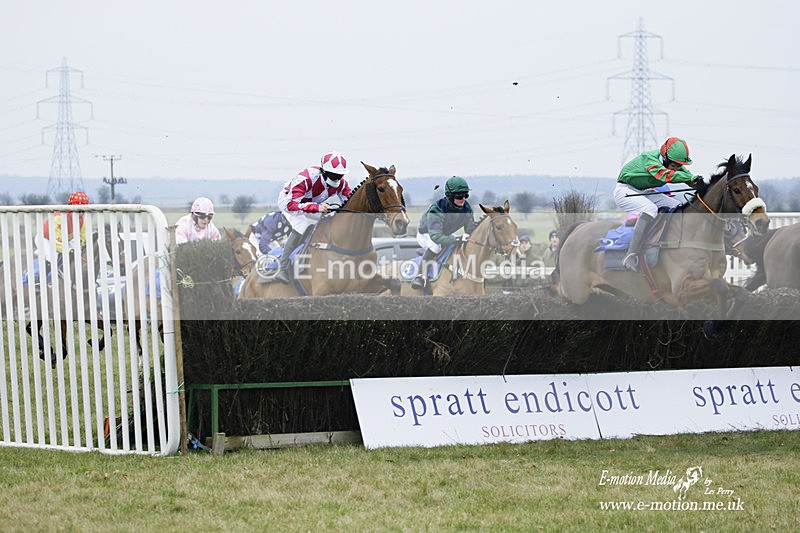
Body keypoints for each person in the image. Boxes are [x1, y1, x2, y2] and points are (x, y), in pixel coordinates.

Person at [614, 137, 703, 271]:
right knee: (650, 209)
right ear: (665, 158)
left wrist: (701, 185)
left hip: (645, 191)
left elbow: (689, 178)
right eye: (674, 166)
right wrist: (690, 179)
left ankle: (663, 243)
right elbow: (666, 176)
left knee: (677, 207)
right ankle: (630, 255)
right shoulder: (650, 159)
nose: (676, 169)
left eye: (679, 166)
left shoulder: (674, 163)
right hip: (625, 191)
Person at [273, 150, 352, 284]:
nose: (338, 179)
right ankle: (282, 267)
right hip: (289, 203)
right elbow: (293, 205)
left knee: (331, 219)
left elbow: (349, 203)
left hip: (311, 204)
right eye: (334, 176)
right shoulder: (306, 178)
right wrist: (317, 207)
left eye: (340, 175)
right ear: (324, 171)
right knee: (302, 225)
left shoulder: (341, 184)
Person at [411, 176, 475, 290]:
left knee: (460, 244)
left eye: (466, 195)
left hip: (444, 234)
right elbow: (436, 237)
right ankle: (420, 276)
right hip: (427, 234)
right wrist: (457, 239)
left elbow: (470, 231)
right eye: (459, 196)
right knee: (435, 247)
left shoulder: (467, 209)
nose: (463, 199)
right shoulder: (438, 208)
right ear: (450, 196)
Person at [39, 191, 90, 268]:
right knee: (52, 257)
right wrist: (69, 251)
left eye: (83, 209)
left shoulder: (82, 220)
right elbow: (55, 242)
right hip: (46, 238)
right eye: (79, 209)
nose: (81, 213)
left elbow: (83, 239)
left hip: (64, 240)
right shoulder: (59, 218)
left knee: (78, 252)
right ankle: (45, 277)